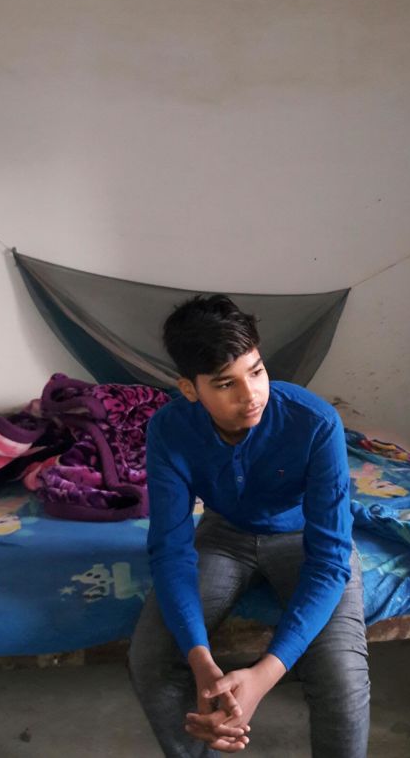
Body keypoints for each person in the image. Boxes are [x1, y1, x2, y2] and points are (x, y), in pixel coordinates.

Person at [129, 295, 370, 757]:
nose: (251, 394)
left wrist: (264, 675)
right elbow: (171, 550)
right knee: (150, 657)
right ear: (189, 389)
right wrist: (201, 659)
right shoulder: (169, 430)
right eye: (226, 384)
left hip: (303, 537)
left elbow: (329, 559)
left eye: (256, 372)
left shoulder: (315, 422)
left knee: (341, 673)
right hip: (225, 535)